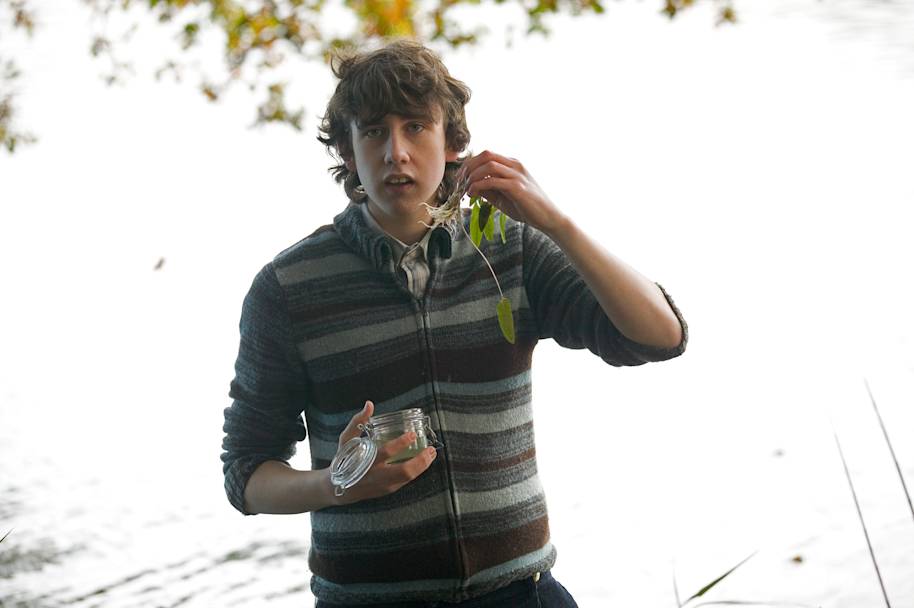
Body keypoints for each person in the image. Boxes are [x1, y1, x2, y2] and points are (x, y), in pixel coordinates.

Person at [222, 39, 688, 607]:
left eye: (416, 127)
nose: (396, 152)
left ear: (453, 142)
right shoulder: (288, 287)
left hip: (523, 593)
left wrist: (556, 222)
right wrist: (339, 483)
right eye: (373, 132)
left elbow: (660, 336)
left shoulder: (510, 249)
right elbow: (246, 474)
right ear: (346, 149)